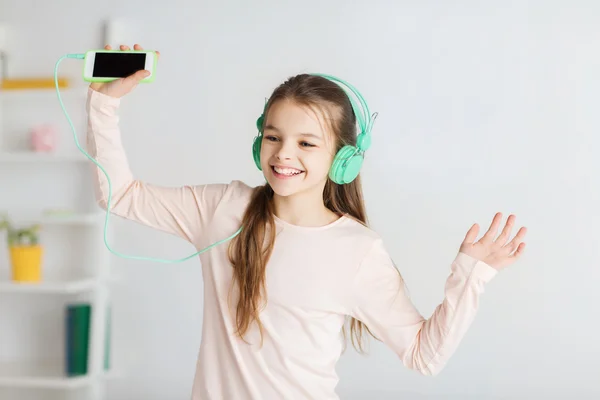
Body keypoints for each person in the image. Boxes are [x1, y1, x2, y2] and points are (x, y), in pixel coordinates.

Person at [86, 43, 527, 400]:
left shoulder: (357, 250)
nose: (283, 155)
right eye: (274, 137)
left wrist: (471, 275)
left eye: (307, 143)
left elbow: (423, 355)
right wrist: (103, 106)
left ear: (344, 159)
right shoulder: (222, 208)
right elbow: (119, 195)